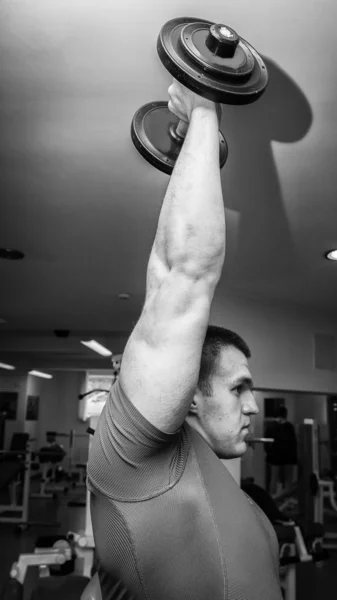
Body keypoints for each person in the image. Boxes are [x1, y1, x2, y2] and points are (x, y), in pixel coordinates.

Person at [87, 80, 282, 600]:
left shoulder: (245, 508)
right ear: (190, 392)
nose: (254, 406)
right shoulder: (134, 466)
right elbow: (179, 274)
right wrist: (203, 112)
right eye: (239, 387)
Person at [267, 407, 298, 496]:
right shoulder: (289, 426)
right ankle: (287, 498)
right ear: (285, 414)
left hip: (275, 456)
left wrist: (269, 453)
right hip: (289, 457)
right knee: (289, 479)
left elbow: (267, 443)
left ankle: (272, 500)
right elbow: (293, 443)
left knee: (274, 478)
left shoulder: (271, 426)